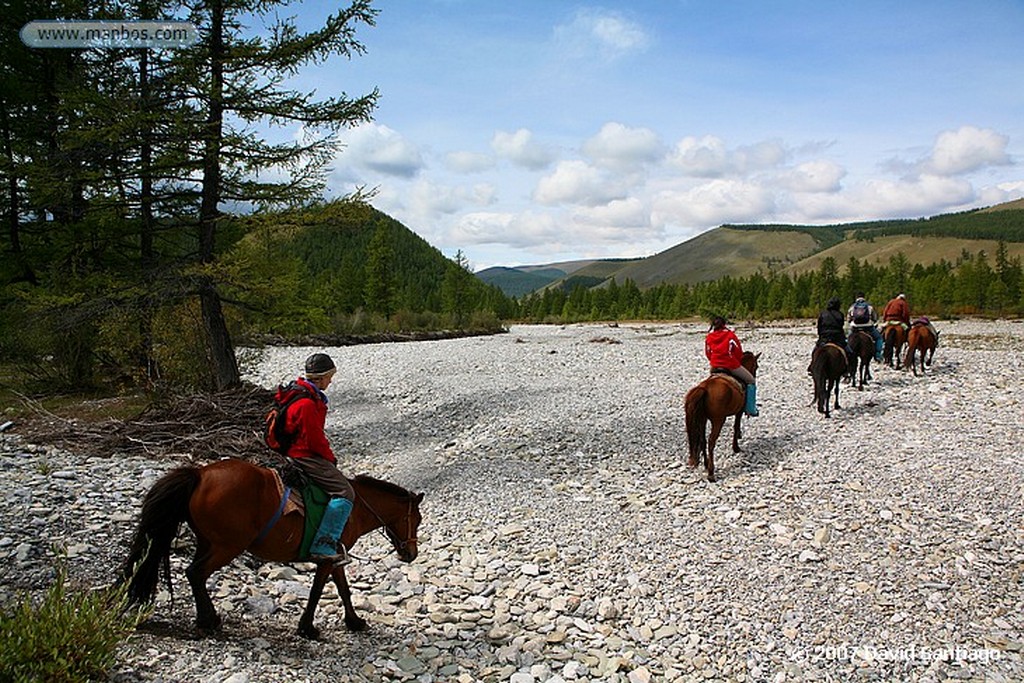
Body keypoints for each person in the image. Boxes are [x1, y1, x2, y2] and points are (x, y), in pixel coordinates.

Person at [276, 352, 355, 565]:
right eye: (330, 376)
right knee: (344, 491)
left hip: (294, 451)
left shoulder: (299, 395)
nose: (331, 381)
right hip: (304, 454)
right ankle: (323, 544)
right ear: (320, 378)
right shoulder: (308, 404)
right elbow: (314, 440)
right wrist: (330, 458)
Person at [704, 316, 758, 416]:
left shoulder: (709, 337)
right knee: (751, 381)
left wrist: (714, 360)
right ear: (724, 325)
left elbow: (708, 353)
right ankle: (751, 409)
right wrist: (735, 361)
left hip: (715, 366)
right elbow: (738, 352)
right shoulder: (730, 335)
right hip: (730, 365)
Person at [811, 296, 853, 371]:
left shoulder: (822, 314)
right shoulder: (840, 314)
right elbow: (841, 326)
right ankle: (848, 369)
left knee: (815, 351)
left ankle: (812, 366)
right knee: (849, 352)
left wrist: (821, 336)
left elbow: (819, 327)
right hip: (837, 339)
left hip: (825, 338)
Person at [847, 292, 883, 362]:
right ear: (864, 297)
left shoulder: (852, 307)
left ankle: (847, 354)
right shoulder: (869, 307)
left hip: (855, 328)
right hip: (868, 327)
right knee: (879, 338)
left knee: (847, 339)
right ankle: (878, 354)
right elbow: (874, 318)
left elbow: (849, 319)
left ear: (856, 298)